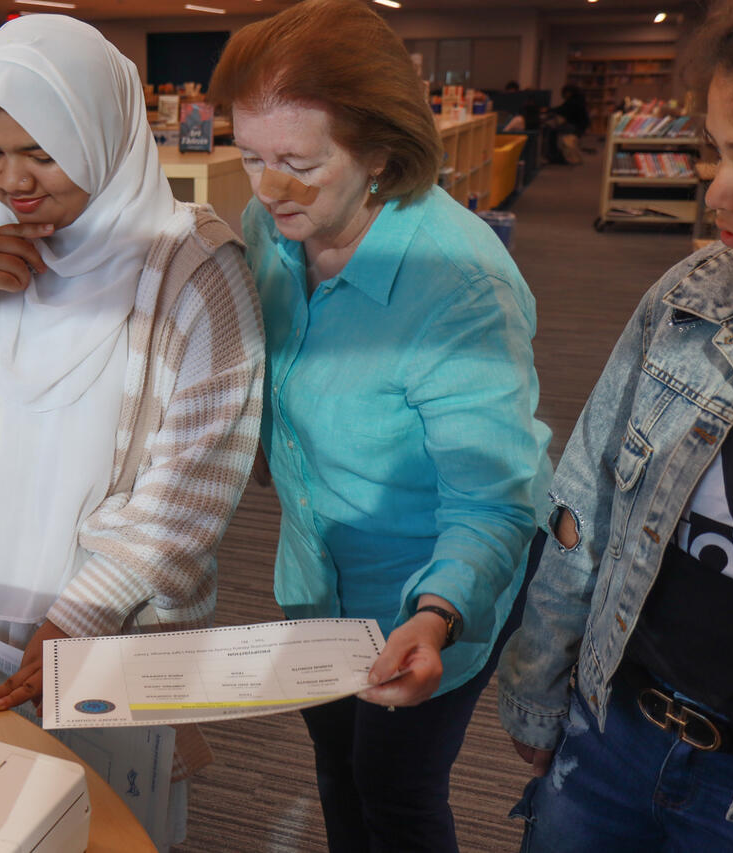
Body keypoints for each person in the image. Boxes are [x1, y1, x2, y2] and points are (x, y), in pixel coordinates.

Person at [0, 12, 263, 827]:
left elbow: (191, 492)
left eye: (43, 154)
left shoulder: (192, 269)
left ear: (101, 135)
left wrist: (78, 619)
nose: (14, 180)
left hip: (91, 606)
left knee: (90, 818)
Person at [209, 1, 553, 849]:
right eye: (250, 157)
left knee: (395, 792)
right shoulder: (271, 228)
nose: (268, 189)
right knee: (337, 766)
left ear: (381, 153)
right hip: (316, 569)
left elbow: (492, 499)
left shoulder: (459, 282)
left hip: (428, 583)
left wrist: (435, 615)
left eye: (299, 162)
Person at [498, 3, 733, 848]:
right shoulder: (691, 297)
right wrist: (542, 684)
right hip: (617, 723)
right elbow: (586, 500)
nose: (717, 190)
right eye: (716, 152)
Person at [544, 83, 589, 164]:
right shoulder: (578, 100)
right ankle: (554, 153)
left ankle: (553, 154)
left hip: (575, 126)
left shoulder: (573, 101)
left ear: (569, 92)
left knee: (551, 130)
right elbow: (563, 109)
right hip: (579, 125)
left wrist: (548, 110)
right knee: (554, 128)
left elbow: (562, 109)